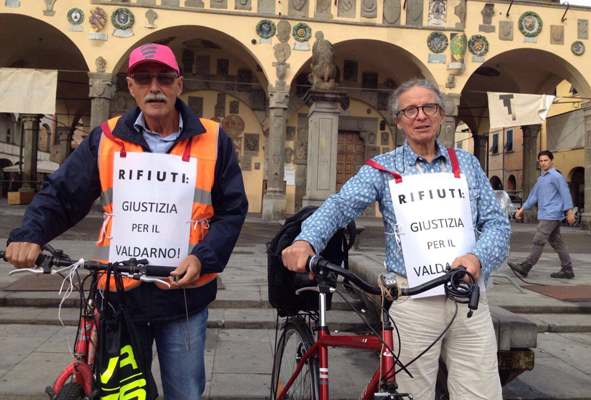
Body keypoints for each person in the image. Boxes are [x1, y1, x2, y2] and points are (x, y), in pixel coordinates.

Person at [5, 43, 248, 399]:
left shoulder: (213, 139)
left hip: (183, 296)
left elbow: (231, 210)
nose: (154, 87)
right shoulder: (105, 137)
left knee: (186, 393)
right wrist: (29, 234)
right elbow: (63, 194)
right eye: (143, 78)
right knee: (121, 394)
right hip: (119, 295)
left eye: (164, 78)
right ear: (130, 87)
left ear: (179, 85)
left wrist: (203, 257)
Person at [283, 78, 510, 399]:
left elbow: (497, 225)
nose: (421, 116)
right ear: (399, 120)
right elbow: (339, 206)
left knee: (481, 394)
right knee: (410, 394)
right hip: (413, 301)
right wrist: (307, 241)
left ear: (442, 114)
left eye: (429, 107)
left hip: (467, 297)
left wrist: (478, 258)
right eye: (411, 110)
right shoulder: (383, 169)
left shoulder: (467, 164)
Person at [508, 150, 575, 279]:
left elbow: (566, 194)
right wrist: (523, 208)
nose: (543, 163)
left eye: (546, 160)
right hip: (546, 214)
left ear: (552, 161)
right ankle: (567, 270)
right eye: (541, 161)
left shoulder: (556, 176)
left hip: (551, 214)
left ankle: (526, 266)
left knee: (538, 241)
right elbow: (534, 195)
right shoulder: (541, 179)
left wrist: (570, 211)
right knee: (558, 243)